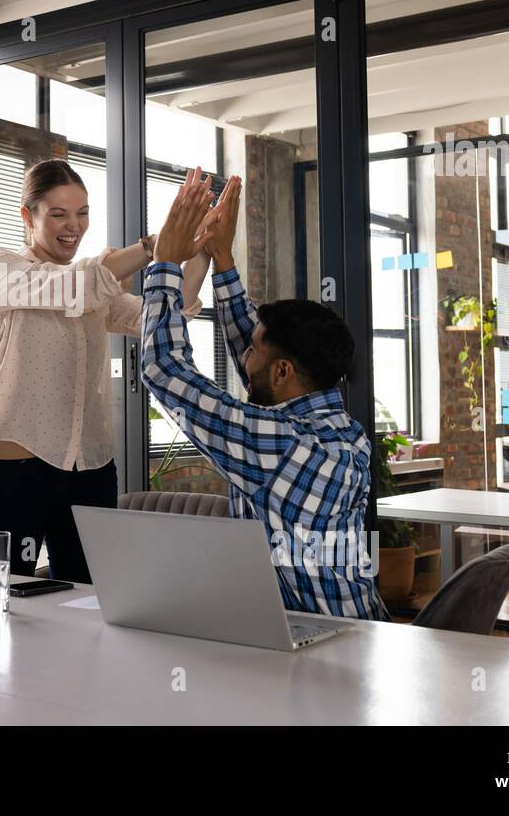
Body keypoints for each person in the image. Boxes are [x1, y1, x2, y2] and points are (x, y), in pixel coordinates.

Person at [140, 173, 390, 619]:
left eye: (255, 349)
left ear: (282, 370)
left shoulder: (281, 446)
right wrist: (223, 260)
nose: (244, 355)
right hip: (351, 629)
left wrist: (163, 265)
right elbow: (260, 370)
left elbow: (163, 369)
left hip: (329, 661)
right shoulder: (339, 430)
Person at [0, 158, 213, 582]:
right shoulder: (1, 269)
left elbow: (162, 317)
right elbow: (74, 285)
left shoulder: (93, 282)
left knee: (92, 598)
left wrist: (201, 249)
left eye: (82, 213)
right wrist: (155, 246)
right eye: (59, 214)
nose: (74, 226)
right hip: (15, 470)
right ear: (28, 215)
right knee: (0, 593)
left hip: (92, 471)